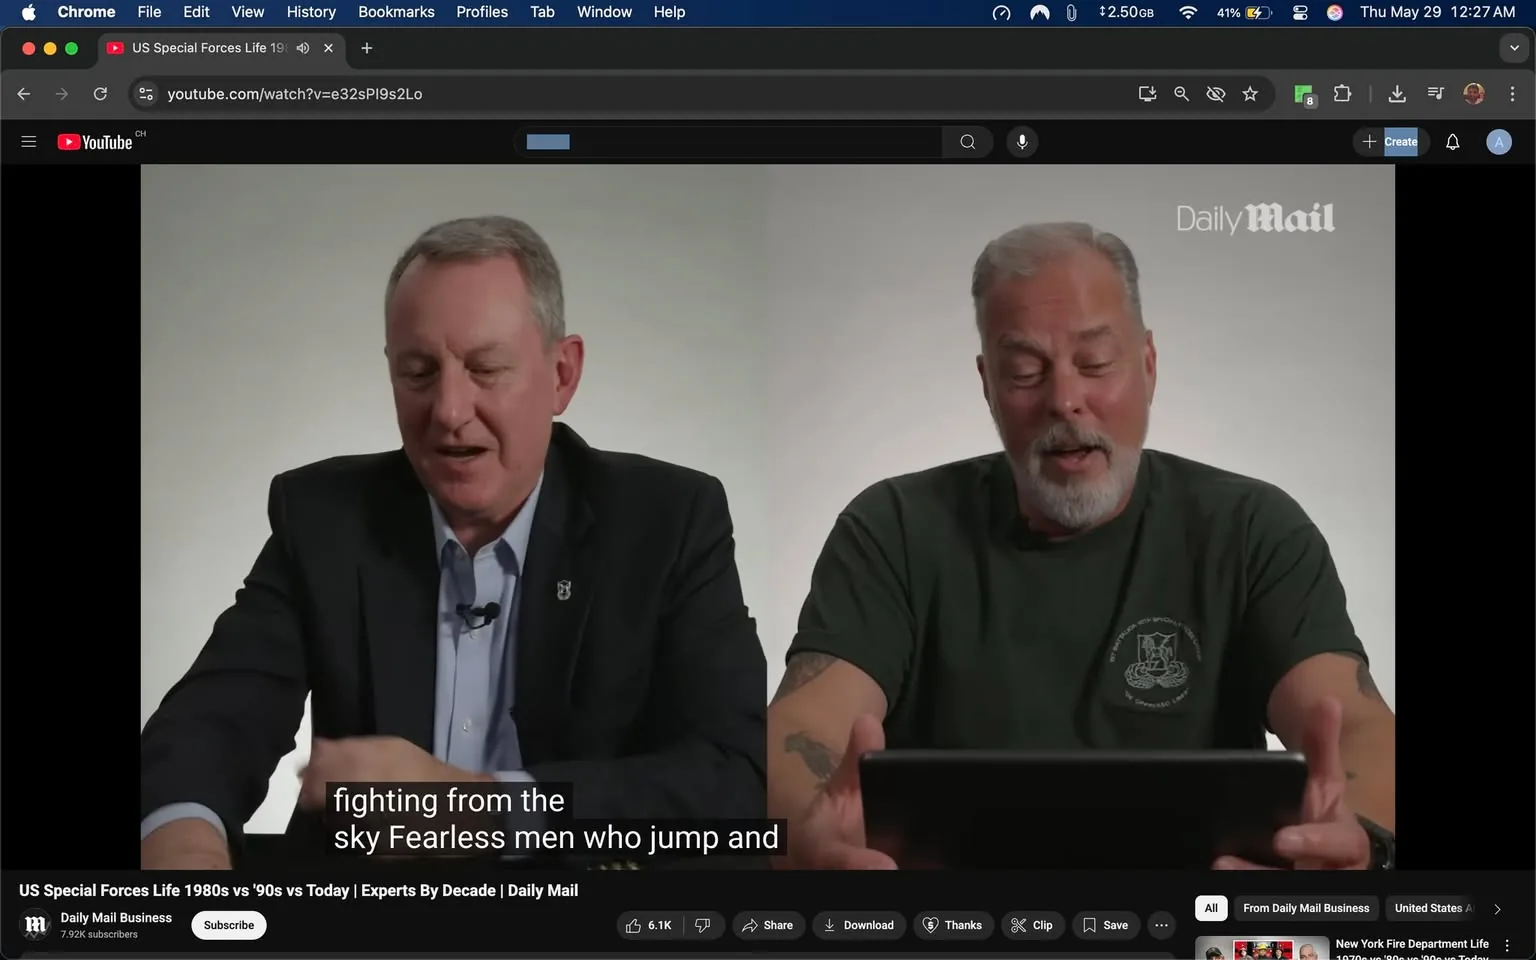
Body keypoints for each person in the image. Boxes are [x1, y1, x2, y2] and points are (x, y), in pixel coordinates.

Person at [141, 215, 767, 868]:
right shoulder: (325, 519)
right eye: (418, 372)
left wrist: (476, 806)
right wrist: (184, 845)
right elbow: (207, 728)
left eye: (485, 369)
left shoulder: (666, 522)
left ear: (561, 374)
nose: (448, 410)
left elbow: (735, 778)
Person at [767, 221, 1395, 870]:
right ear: (987, 385)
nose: (1065, 401)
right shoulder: (893, 528)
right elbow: (804, 726)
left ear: (1148, 367)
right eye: (1024, 372)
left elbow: (1355, 723)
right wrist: (805, 839)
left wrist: (1362, 841)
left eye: (1095, 364)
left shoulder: (1251, 529)